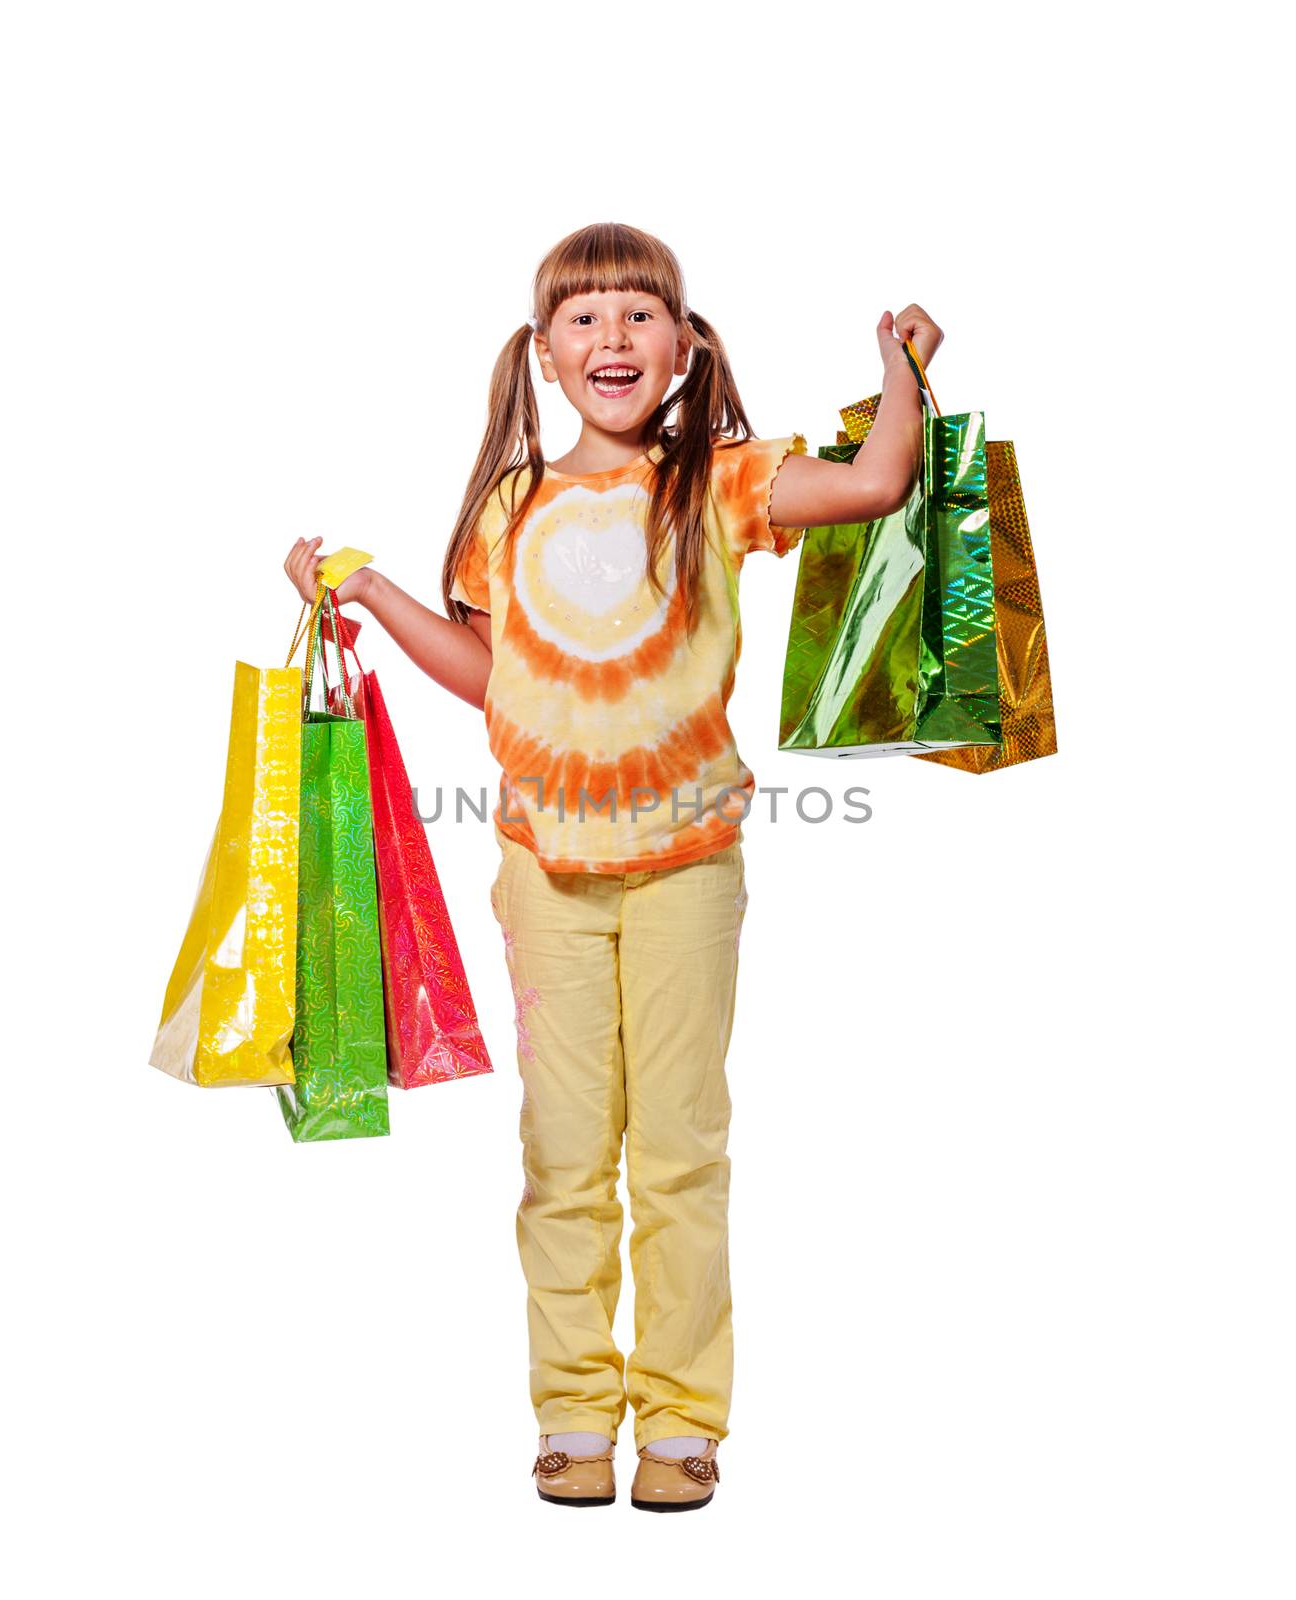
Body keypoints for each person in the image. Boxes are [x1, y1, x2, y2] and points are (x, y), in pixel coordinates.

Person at [284, 221, 940, 1512]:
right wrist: (367, 595)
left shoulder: (722, 482)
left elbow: (872, 486)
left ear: (685, 348)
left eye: (641, 314)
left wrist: (900, 361)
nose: (613, 339)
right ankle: (576, 1413)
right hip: (545, 871)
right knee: (564, 1151)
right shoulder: (507, 512)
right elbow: (494, 677)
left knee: (683, 1148)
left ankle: (684, 1418)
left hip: (689, 865)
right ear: (543, 351)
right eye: (583, 318)